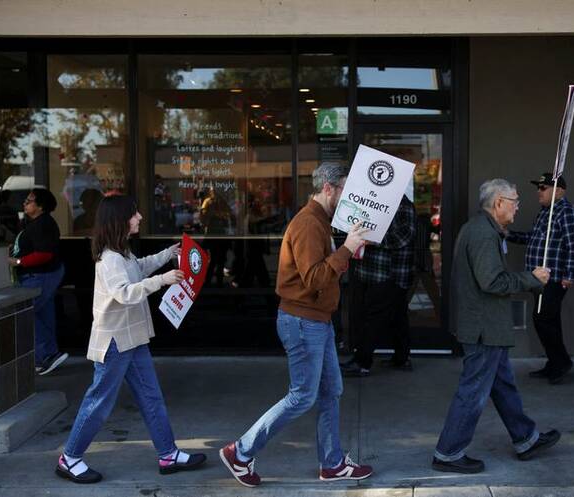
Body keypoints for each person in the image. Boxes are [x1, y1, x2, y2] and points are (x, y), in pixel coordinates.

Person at [219, 162, 373, 487]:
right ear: (328, 188)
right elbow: (314, 279)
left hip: (315, 319)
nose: (349, 196)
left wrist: (348, 249)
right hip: (303, 321)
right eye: (345, 189)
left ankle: (331, 464)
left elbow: (322, 273)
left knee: (332, 390)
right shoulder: (308, 224)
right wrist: (346, 248)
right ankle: (241, 452)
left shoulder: (321, 222)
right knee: (303, 395)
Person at [55, 195, 206, 484]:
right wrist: (163, 280)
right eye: (134, 214)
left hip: (132, 338)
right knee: (98, 402)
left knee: (151, 397)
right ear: (120, 219)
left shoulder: (121, 252)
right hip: (114, 342)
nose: (139, 218)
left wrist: (167, 255)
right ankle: (69, 458)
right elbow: (125, 293)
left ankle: (168, 454)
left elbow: (140, 268)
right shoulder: (110, 258)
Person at [433, 179, 560, 474]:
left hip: (485, 326)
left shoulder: (484, 229)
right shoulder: (482, 233)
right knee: (473, 391)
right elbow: (492, 281)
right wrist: (532, 279)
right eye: (515, 200)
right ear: (499, 202)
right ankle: (448, 453)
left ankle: (526, 439)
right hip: (483, 328)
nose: (518, 206)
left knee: (502, 384)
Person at [506, 173, 574, 384]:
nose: (539, 191)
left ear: (559, 191)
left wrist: (570, 275)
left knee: (543, 319)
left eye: (544, 188)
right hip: (538, 279)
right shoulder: (545, 213)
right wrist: (507, 234)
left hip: (554, 278)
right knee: (548, 320)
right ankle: (554, 362)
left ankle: (561, 362)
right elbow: (533, 238)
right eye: (538, 187)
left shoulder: (566, 212)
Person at [341, 195, 417, 376]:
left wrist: (374, 239)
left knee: (372, 318)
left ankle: (362, 363)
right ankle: (401, 358)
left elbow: (404, 236)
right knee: (397, 316)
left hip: (390, 272)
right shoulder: (379, 202)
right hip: (375, 270)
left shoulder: (403, 204)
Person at [8, 188, 67, 375]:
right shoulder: (33, 223)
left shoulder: (44, 224)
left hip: (41, 275)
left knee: (26, 313)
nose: (25, 203)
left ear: (41, 206)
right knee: (43, 314)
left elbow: (44, 254)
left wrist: (18, 261)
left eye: (30, 200)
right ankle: (49, 355)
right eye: (26, 199)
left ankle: (46, 355)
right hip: (38, 275)